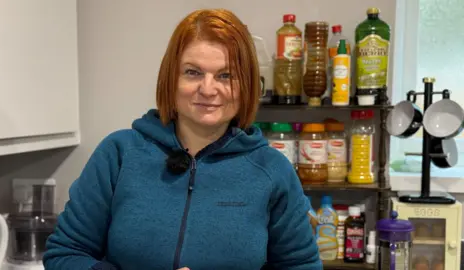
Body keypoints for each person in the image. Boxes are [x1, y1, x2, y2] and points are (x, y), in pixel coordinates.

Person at [43, 8, 321, 270]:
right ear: (170, 78)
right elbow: (65, 254)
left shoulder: (272, 170)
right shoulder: (119, 154)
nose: (208, 89)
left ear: (247, 85)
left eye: (226, 75)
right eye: (193, 72)